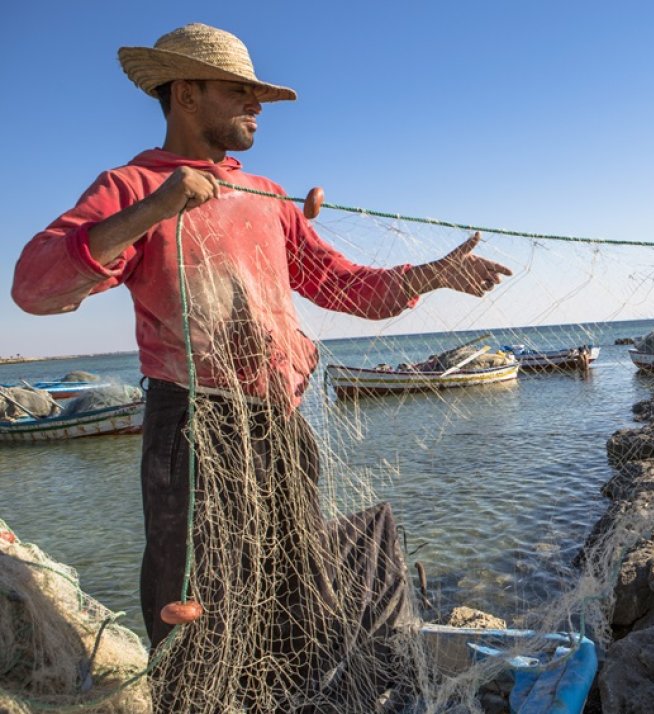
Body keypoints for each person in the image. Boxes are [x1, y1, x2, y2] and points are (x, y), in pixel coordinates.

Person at [11, 23, 511, 707]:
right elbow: (35, 288)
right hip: (193, 423)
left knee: (291, 590)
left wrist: (434, 272)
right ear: (185, 92)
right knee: (194, 602)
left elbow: (349, 289)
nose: (258, 107)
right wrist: (157, 208)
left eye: (259, 94)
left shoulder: (267, 196)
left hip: (278, 424)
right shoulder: (132, 185)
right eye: (241, 92)